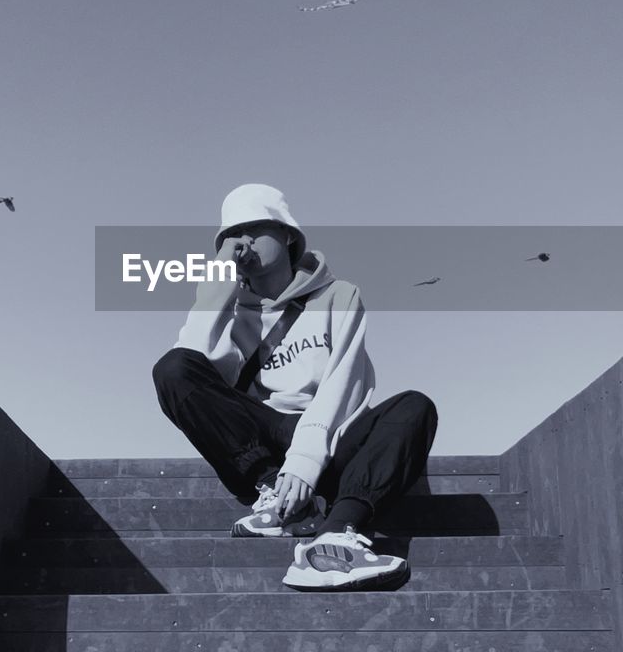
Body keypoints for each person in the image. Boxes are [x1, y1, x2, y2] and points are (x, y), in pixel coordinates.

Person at [151, 183, 439, 591]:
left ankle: (337, 536)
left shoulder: (339, 295)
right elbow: (193, 367)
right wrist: (216, 288)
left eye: (254, 228)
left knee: (414, 406)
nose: (243, 242)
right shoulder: (230, 311)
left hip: (330, 440)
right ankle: (279, 501)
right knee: (172, 366)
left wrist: (304, 462)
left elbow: (343, 384)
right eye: (232, 235)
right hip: (265, 454)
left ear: (287, 233)